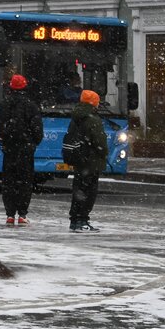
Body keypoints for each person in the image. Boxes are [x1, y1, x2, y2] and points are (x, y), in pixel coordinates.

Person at [0, 74, 43, 226]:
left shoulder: (3, 105)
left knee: (9, 182)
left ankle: (9, 214)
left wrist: (4, 142)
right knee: (25, 182)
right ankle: (22, 214)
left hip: (9, 149)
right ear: (25, 88)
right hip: (26, 150)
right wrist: (32, 143)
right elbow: (38, 131)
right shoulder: (31, 106)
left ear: (10, 88)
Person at [67, 89, 107, 233]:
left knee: (79, 190)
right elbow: (100, 142)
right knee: (89, 192)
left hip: (79, 160)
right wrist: (104, 153)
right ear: (94, 103)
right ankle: (82, 220)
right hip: (91, 161)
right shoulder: (93, 119)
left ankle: (74, 220)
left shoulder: (75, 117)